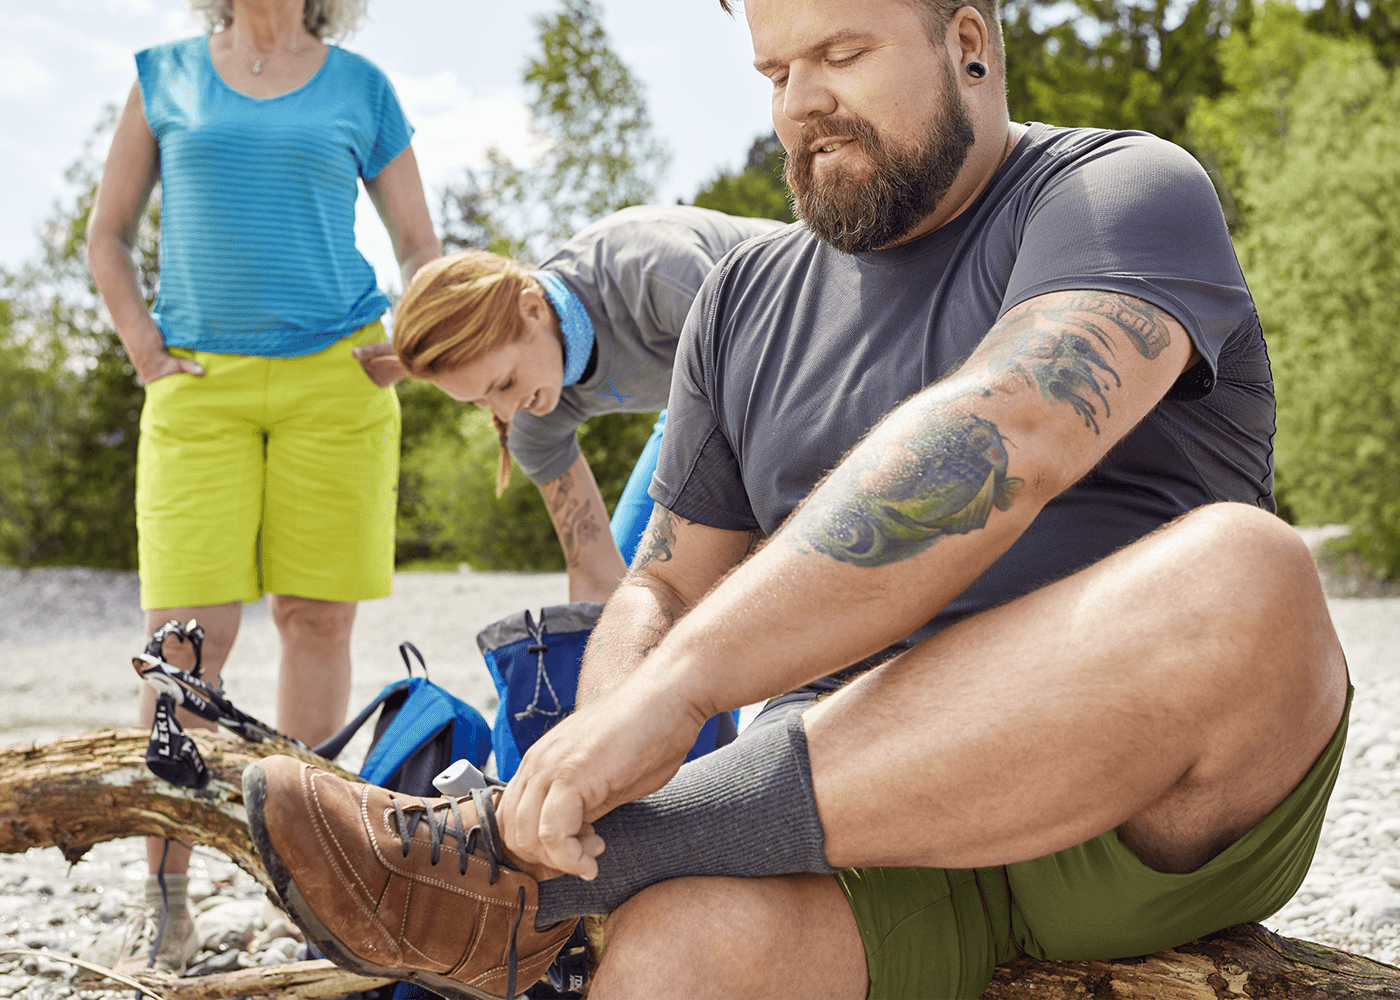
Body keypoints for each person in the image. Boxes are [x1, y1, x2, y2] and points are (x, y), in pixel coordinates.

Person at [242, 0, 1350, 997]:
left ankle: (533, 880)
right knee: (680, 953)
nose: (800, 100)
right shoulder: (738, 303)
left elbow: (1009, 429)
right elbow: (662, 585)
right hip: (861, 842)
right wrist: (598, 756)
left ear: (967, 45)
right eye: (773, 72)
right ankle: (587, 864)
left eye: (839, 52)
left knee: (1243, 575)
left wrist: (673, 704)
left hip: (1144, 817)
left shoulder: (1120, 189)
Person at [86, 0, 439, 974]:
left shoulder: (361, 87)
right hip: (198, 387)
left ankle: (309, 889)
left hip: (340, 382)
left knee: (317, 623)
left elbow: (420, 245)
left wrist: (415, 335)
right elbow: (106, 234)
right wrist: (144, 348)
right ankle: (167, 894)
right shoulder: (164, 75)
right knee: (182, 647)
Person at [365, 205, 785, 603]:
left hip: (798, 346)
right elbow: (594, 573)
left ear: (531, 310)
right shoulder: (531, 416)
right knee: (635, 592)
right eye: (480, 401)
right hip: (703, 395)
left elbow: (775, 416)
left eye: (505, 382)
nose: (507, 412)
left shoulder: (650, 272)